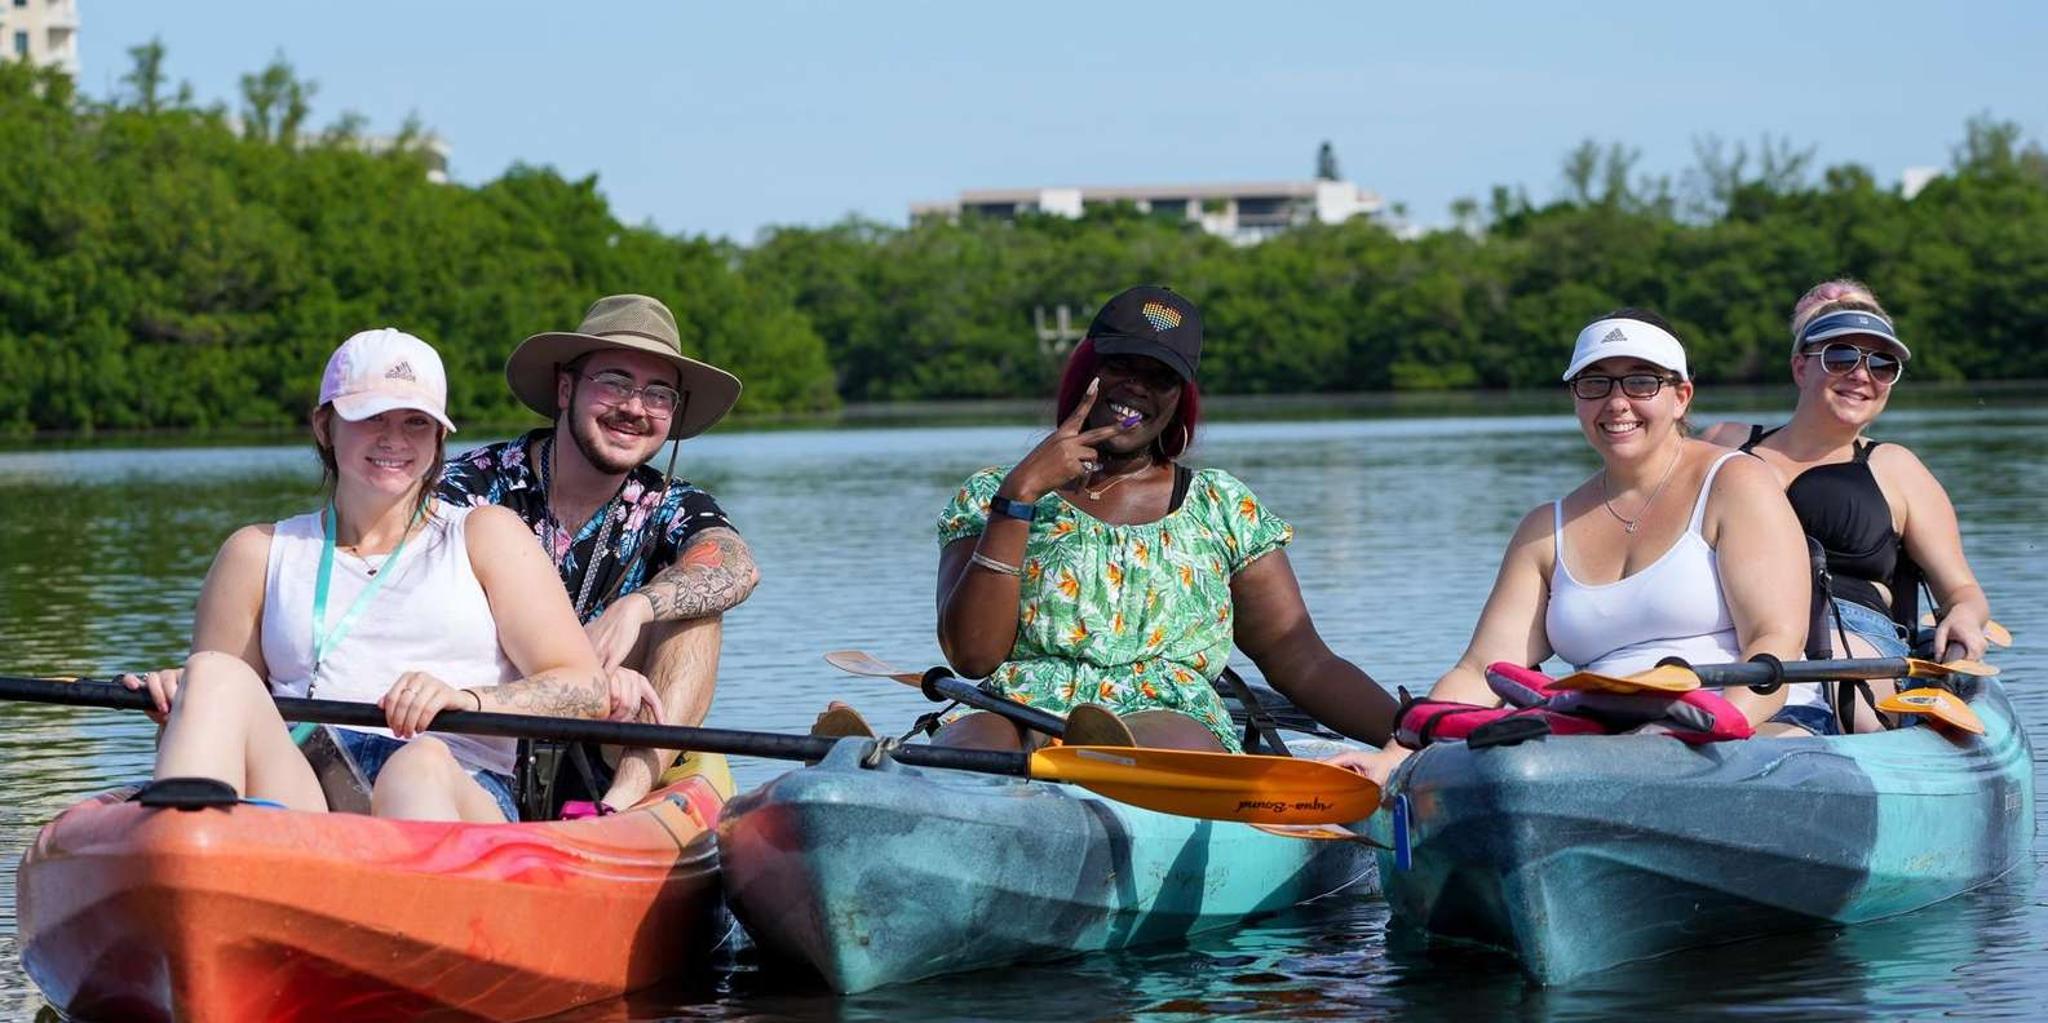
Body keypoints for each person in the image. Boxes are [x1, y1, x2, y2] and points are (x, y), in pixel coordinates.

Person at [123, 329, 654, 822]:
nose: (394, 439)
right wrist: (182, 705)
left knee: (416, 763)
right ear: (324, 426)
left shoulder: (486, 535)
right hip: (308, 786)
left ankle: (413, 910)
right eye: (372, 417)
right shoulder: (255, 553)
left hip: (453, 785)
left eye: (415, 422)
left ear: (439, 438)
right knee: (214, 673)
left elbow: (584, 688)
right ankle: (187, 860)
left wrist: (467, 700)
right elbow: (227, 727)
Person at [1331, 309, 1813, 782]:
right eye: (1595, 383)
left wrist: (1702, 736)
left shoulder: (1735, 482)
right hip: (1602, 746)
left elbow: (1774, 642)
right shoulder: (1545, 528)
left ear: (1681, 396)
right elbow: (1480, 671)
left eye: (1641, 381)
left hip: (1749, 732)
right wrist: (1396, 759)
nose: (1617, 402)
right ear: (1576, 398)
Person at [930, 286, 1396, 753]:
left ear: (1180, 398)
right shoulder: (994, 494)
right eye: (1121, 365)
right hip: (1020, 706)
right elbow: (973, 656)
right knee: (968, 749)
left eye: (1161, 377)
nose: (1137, 386)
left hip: (1166, 718)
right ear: (1086, 370)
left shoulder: (1220, 506)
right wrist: (1020, 496)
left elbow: (1302, 660)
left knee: (1120, 752)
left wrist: (1410, 730)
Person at [439, 294, 761, 813]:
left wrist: (636, 608)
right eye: (614, 382)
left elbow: (737, 565)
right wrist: (580, 672)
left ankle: (620, 809)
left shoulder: (670, 503)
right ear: (565, 388)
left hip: (607, 743)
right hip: (481, 728)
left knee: (697, 609)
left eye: (658, 394)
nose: (634, 407)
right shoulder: (470, 487)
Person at [1703, 279, 1992, 734]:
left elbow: (1963, 592)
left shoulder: (1896, 468)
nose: (1862, 375)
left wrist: (1964, 619)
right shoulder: (1724, 443)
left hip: (1848, 633)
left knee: (1839, 692)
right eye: (1841, 357)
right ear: (1800, 367)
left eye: (1882, 365)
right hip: (1726, 624)